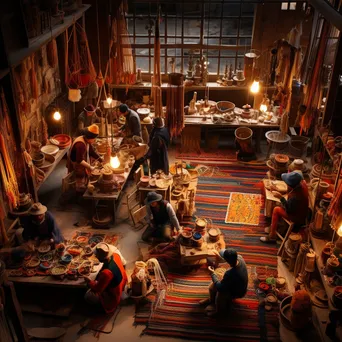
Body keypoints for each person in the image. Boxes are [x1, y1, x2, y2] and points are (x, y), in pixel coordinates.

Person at [260, 171, 309, 243]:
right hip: (300, 210)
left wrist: (280, 197)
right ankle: (276, 226)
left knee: (276, 209)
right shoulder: (302, 184)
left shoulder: (296, 197)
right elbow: (291, 191)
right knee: (278, 204)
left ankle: (272, 236)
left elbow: (288, 209)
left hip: (296, 217)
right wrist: (278, 190)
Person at [199, 248, 248, 317]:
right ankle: (211, 300)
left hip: (238, 291)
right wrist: (219, 258)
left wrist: (212, 273)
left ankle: (219, 312)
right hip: (237, 283)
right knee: (211, 287)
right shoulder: (239, 257)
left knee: (219, 295)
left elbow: (220, 287)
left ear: (228, 261)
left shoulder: (231, 273)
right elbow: (228, 260)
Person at [84, 242, 127, 314]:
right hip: (123, 280)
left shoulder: (106, 273)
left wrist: (89, 282)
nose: (95, 256)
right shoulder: (115, 255)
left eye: (96, 255)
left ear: (100, 258)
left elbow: (97, 288)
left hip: (114, 293)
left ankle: (99, 307)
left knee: (88, 295)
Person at [67, 124, 103, 192]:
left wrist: (101, 160)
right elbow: (79, 160)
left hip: (80, 160)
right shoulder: (81, 145)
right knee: (80, 181)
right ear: (90, 137)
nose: (94, 140)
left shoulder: (86, 139)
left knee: (86, 176)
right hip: (76, 164)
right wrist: (90, 167)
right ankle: (79, 192)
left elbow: (91, 152)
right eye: (94, 138)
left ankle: (84, 186)